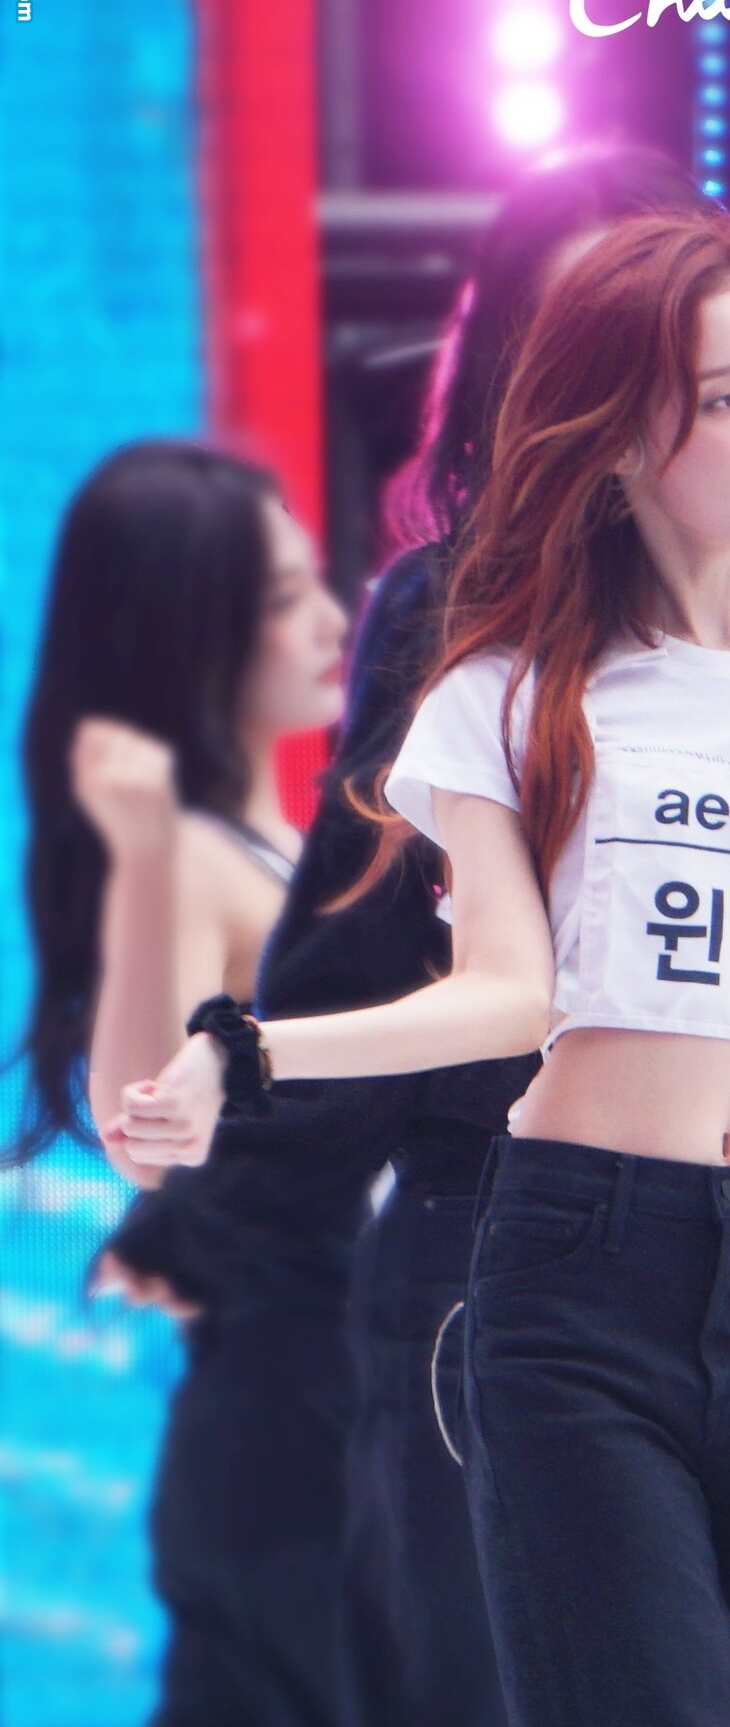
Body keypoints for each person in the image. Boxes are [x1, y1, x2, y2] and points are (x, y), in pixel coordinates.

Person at [109, 213, 730, 1725]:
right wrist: (248, 1052)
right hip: (584, 1277)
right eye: (722, 400)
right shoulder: (512, 684)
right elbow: (505, 995)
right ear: (618, 441)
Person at [8, 438, 352, 1727]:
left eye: (315, 581)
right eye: (284, 599)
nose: (332, 623)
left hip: (338, 1414)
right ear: (189, 635)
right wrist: (148, 859)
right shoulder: (199, 862)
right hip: (302, 1431)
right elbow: (147, 1127)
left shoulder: (289, 850)